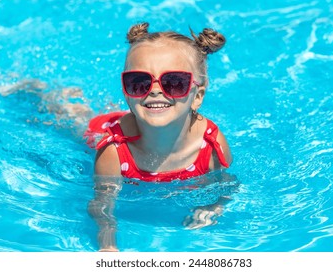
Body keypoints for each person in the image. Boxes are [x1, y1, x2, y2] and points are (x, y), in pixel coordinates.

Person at [85, 22, 233, 251]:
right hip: (106, 128)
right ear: (126, 91)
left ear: (197, 96)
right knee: (74, 121)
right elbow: (101, 206)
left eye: (174, 82)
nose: (155, 90)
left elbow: (227, 184)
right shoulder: (112, 151)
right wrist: (108, 245)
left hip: (141, 113)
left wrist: (214, 207)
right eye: (139, 82)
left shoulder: (211, 144)